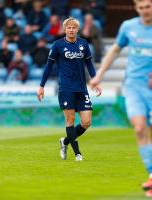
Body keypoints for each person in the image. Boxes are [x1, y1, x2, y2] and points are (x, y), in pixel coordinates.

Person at [90, 0, 152, 197]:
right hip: (132, 86)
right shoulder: (128, 27)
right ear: (136, 9)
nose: (144, 11)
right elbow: (115, 49)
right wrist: (99, 74)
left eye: (147, 7)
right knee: (140, 128)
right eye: (140, 8)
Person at [37, 17, 102, 162]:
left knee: (86, 122)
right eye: (69, 28)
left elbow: (89, 64)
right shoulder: (58, 45)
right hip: (66, 88)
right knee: (70, 120)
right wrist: (41, 86)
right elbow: (48, 67)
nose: (71, 30)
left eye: (74, 28)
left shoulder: (83, 44)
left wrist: (95, 81)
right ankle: (78, 153)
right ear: (65, 29)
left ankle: (65, 142)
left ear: (77, 30)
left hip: (81, 88)